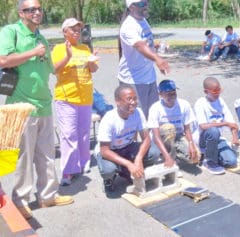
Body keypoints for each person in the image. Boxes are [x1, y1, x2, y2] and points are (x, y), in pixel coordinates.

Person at [0, 0, 73, 219]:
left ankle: (48, 195)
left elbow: (51, 70)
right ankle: (21, 200)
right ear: (21, 13)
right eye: (31, 9)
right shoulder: (11, 32)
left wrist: (68, 57)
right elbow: (3, 59)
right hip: (21, 106)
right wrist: (33, 52)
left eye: (39, 8)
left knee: (47, 154)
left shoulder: (41, 38)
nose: (37, 12)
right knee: (23, 156)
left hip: (43, 105)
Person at [51, 18, 99, 186]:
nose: (77, 31)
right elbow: (54, 70)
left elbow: (93, 70)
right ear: (65, 32)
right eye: (73, 29)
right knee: (69, 135)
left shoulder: (85, 48)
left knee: (84, 134)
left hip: (85, 97)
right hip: (66, 98)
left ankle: (83, 163)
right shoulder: (58, 48)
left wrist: (92, 63)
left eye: (79, 29)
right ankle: (68, 170)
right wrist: (68, 56)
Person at [95, 84, 160, 196]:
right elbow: (104, 151)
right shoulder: (109, 119)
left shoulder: (138, 113)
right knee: (108, 170)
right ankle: (109, 180)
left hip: (128, 146)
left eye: (135, 98)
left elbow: (147, 139)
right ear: (118, 101)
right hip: (111, 151)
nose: (133, 102)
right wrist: (129, 164)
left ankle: (129, 171)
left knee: (154, 152)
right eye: (129, 99)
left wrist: (138, 159)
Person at [118, 0, 170, 119]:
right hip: (133, 80)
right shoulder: (129, 26)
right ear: (131, 7)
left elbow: (146, 43)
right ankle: (136, 138)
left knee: (152, 116)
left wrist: (155, 46)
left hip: (149, 77)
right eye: (141, 4)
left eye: (147, 2)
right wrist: (157, 59)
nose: (146, 6)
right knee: (136, 118)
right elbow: (140, 46)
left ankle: (150, 138)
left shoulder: (143, 20)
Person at [147, 80, 200, 168]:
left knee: (195, 157)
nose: (172, 96)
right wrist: (167, 157)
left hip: (177, 136)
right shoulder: (155, 108)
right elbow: (156, 136)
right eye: (168, 93)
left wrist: (191, 144)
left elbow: (187, 128)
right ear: (160, 95)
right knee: (169, 128)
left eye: (173, 92)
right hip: (160, 139)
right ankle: (168, 157)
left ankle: (175, 154)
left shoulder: (184, 105)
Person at [194, 77, 239, 175]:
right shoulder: (200, 103)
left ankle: (210, 154)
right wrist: (225, 123)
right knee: (214, 130)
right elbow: (203, 126)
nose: (218, 94)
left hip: (218, 139)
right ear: (206, 91)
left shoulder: (221, 101)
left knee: (231, 162)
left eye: (219, 91)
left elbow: (232, 122)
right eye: (215, 92)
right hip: (204, 139)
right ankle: (209, 160)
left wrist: (235, 138)